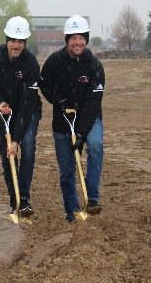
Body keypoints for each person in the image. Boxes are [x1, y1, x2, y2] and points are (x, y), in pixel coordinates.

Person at [40, 15, 105, 222]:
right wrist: (58, 100)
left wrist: (80, 132)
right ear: (67, 40)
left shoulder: (95, 66)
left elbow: (93, 102)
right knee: (67, 169)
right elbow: (44, 85)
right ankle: (72, 211)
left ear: (86, 40)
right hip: (62, 120)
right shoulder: (54, 62)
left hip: (89, 117)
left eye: (81, 38)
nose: (78, 42)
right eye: (73, 38)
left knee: (95, 145)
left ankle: (92, 198)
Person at [0, 16, 42, 217]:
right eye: (13, 40)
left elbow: (27, 104)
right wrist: (1, 102)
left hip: (29, 110)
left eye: (20, 41)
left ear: (25, 42)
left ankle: (24, 198)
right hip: (7, 110)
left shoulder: (31, 64)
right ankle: (14, 200)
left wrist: (16, 139)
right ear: (7, 39)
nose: (16, 45)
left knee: (26, 146)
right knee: (7, 154)